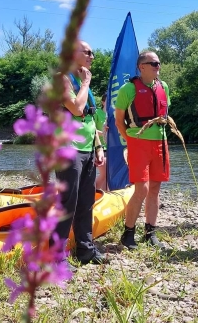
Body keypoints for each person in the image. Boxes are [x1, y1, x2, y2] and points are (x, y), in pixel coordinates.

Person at [56, 40, 107, 265]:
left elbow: (90, 119)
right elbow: (76, 108)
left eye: (92, 52)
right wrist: (86, 83)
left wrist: (98, 146)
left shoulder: (83, 83)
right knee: (68, 202)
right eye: (87, 52)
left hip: (86, 148)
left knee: (86, 201)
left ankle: (85, 249)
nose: (92, 56)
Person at [114, 50, 170, 249]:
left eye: (159, 63)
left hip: (160, 143)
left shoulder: (163, 87)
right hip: (138, 143)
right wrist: (129, 139)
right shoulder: (128, 89)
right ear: (142, 66)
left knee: (155, 188)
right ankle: (128, 234)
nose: (158, 67)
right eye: (154, 63)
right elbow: (119, 121)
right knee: (142, 189)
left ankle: (150, 233)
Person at [94, 94, 108, 191]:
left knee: (107, 174)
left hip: (111, 147)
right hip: (99, 148)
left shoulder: (113, 113)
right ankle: (91, 194)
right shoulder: (97, 112)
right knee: (104, 173)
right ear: (103, 102)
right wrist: (104, 133)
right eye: (108, 100)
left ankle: (105, 195)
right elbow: (92, 130)